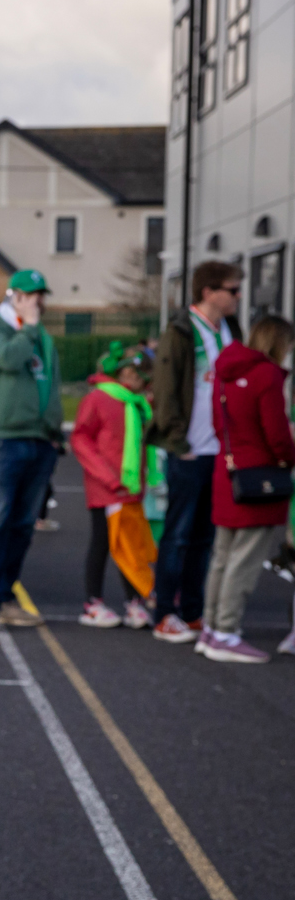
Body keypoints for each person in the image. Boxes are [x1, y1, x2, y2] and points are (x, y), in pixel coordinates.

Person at [151, 259, 244, 644]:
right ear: (209, 292)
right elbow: (165, 388)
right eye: (232, 290)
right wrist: (178, 441)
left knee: (204, 537)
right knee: (177, 534)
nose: (238, 296)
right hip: (190, 449)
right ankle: (164, 613)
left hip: (220, 451)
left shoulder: (231, 328)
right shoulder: (181, 330)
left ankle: (191, 611)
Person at [0, 269, 62, 633]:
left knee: (21, 526)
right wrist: (29, 327)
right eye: (31, 294)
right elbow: (8, 358)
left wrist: (53, 431)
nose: (38, 301)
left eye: (41, 294)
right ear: (14, 296)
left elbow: (50, 384)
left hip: (38, 440)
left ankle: (5, 597)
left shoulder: (41, 336)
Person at [200, 314, 295, 662]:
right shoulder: (266, 375)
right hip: (261, 477)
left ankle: (211, 628)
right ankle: (226, 631)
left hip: (228, 471)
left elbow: (217, 422)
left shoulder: (225, 371)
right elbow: (276, 433)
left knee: (222, 557)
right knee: (244, 561)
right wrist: (289, 458)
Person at [71, 344, 160, 630]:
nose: (139, 381)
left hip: (130, 487)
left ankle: (134, 601)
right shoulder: (99, 398)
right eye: (135, 374)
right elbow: (81, 439)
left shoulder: (138, 404)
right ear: (122, 372)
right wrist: (108, 477)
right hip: (106, 487)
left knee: (131, 545)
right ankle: (92, 603)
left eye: (143, 377)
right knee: (103, 542)